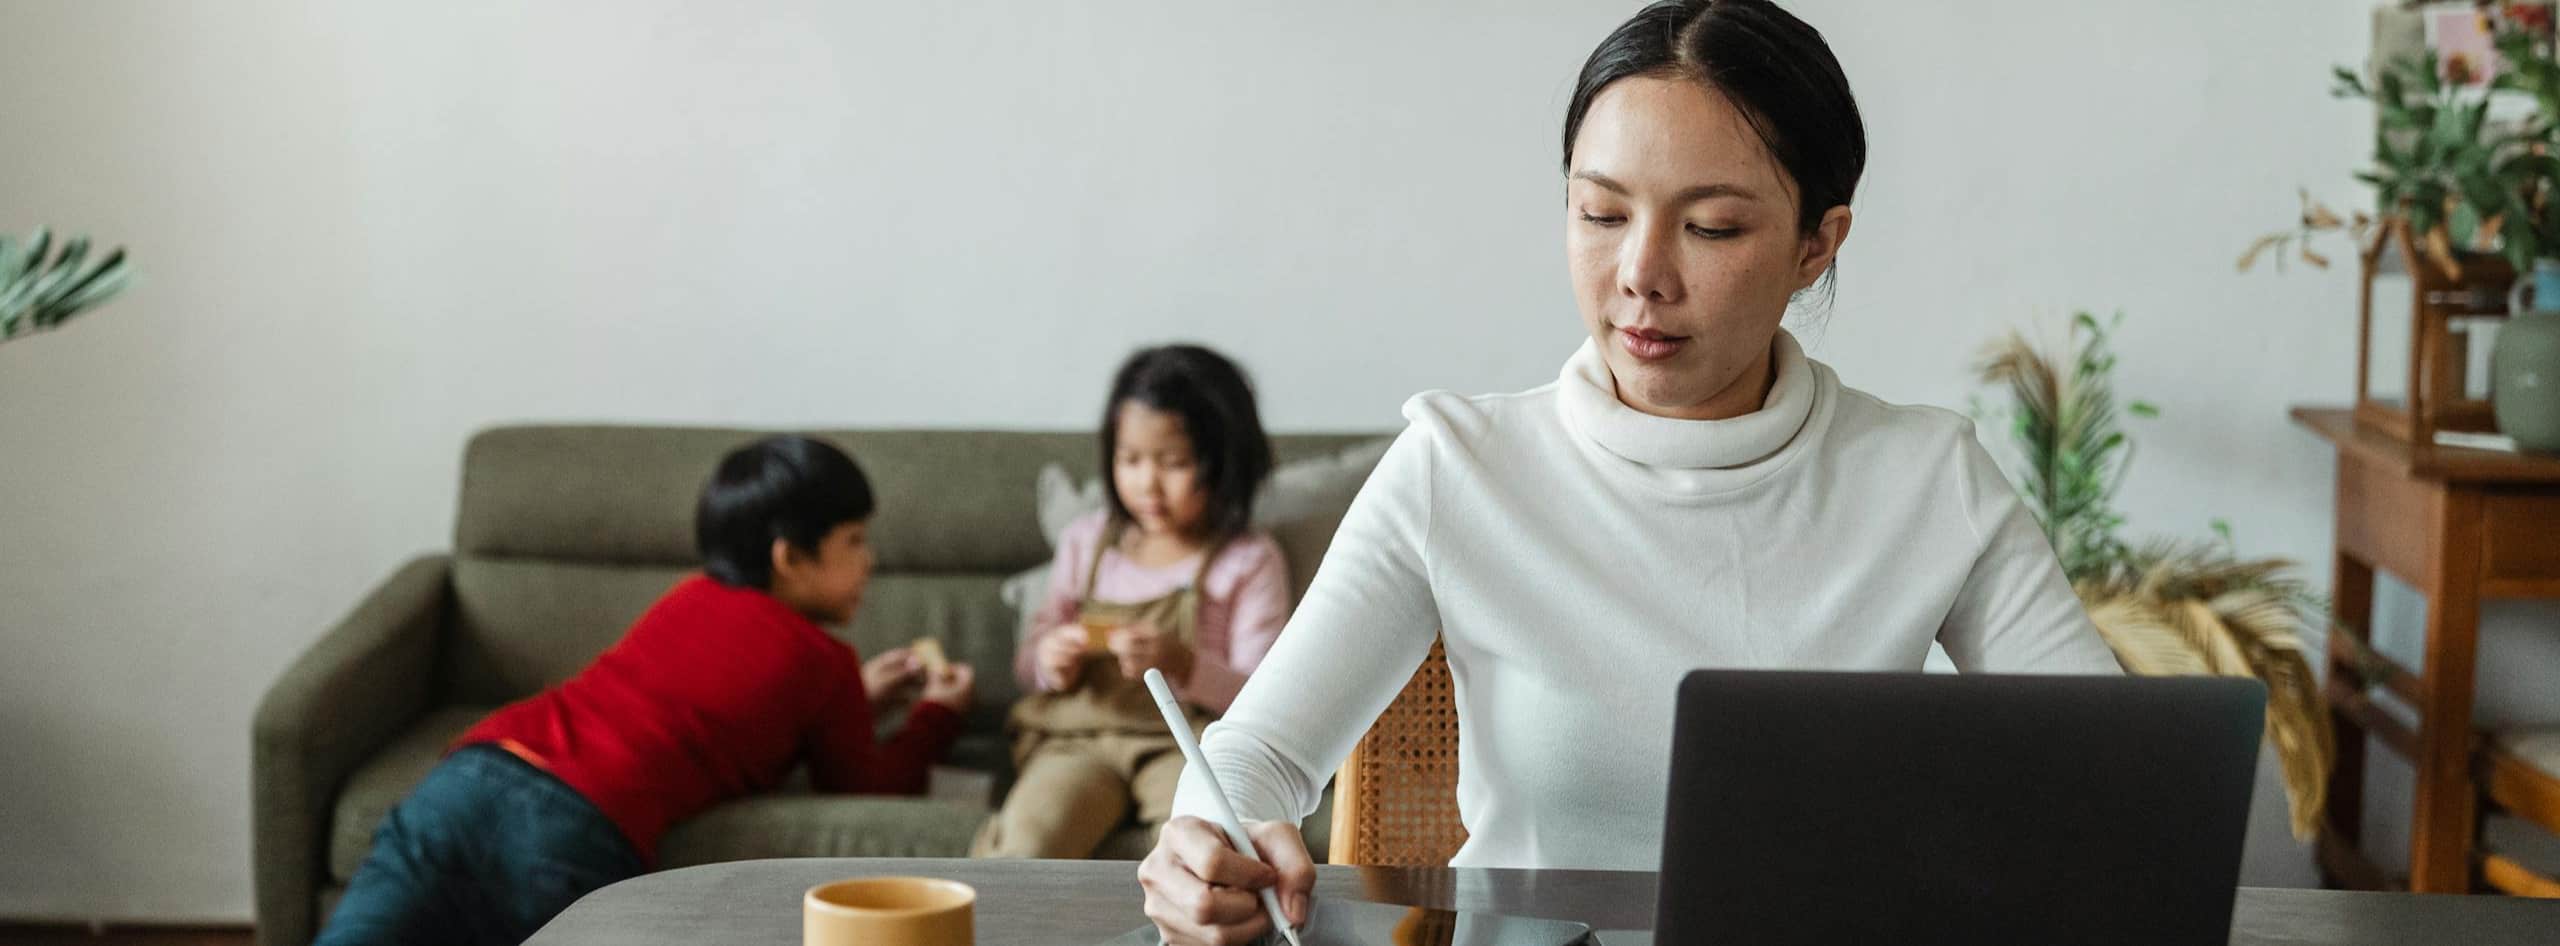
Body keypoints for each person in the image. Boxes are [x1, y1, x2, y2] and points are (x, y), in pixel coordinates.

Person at [1135, 2, 2122, 942]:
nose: (1640, 273)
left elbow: (2114, 775)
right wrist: (1206, 844)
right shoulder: (1458, 467)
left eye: (1712, 228)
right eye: (1600, 213)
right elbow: (1256, 754)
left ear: (1816, 243)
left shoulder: (1923, 476)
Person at [315, 435, 976, 946]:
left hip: (474, 774)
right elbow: (866, 784)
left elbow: (705, 694)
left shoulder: (690, 597)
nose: (871, 561)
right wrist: (935, 718)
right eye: (854, 541)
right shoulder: (822, 659)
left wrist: (857, 699)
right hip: (577, 825)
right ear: (789, 557)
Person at [973, 344, 1293, 859]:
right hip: (1079, 739)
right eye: (1130, 460)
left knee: (1201, 853)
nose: (1147, 483)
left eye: (1174, 463)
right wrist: (1051, 660)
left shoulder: (1248, 560)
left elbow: (1264, 698)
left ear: (1223, 462)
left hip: (1185, 745)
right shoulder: (1086, 542)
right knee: (1025, 845)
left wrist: (1183, 662)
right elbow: (1028, 665)